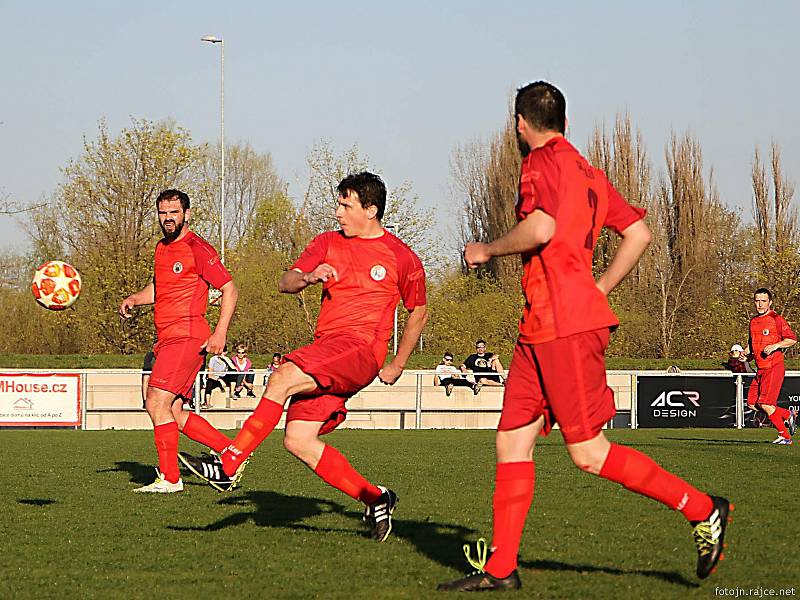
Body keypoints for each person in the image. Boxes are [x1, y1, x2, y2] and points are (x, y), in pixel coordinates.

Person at [438, 82, 731, 592]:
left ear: (520, 124)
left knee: (588, 453)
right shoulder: (589, 171)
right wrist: (598, 287)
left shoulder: (540, 161)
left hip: (564, 327)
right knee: (511, 440)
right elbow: (637, 233)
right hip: (542, 328)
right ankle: (502, 568)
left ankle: (703, 509)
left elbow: (542, 227)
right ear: (566, 122)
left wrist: (486, 249)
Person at [180, 172, 427, 543]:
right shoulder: (327, 243)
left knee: (281, 377)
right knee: (298, 439)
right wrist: (309, 276)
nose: (339, 212)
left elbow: (419, 311)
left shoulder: (401, 256)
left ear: (371, 210)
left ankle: (229, 463)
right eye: (339, 203)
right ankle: (376, 498)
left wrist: (397, 363)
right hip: (329, 348)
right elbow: (286, 281)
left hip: (361, 349)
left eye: (347, 205)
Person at [119, 189, 239, 493]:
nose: (168, 218)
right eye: (163, 213)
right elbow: (161, 289)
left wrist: (220, 332)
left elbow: (229, 288)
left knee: (155, 401)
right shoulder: (162, 248)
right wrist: (135, 298)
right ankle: (230, 451)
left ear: (187, 214)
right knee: (172, 411)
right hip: (168, 339)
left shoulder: (197, 247)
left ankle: (170, 478)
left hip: (187, 337)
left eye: (174, 212)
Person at [743, 288, 798, 444]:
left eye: (763, 301)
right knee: (753, 404)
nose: (759, 304)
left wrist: (775, 346)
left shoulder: (776, 319)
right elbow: (751, 345)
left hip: (774, 367)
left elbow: (792, 339)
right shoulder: (753, 321)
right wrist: (745, 354)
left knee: (766, 404)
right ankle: (788, 415)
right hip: (760, 368)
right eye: (757, 301)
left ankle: (785, 437)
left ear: (770, 302)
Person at [141, 338, 156, 409]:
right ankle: (145, 401)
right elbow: (147, 370)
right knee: (146, 377)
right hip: (153, 373)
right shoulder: (149, 356)